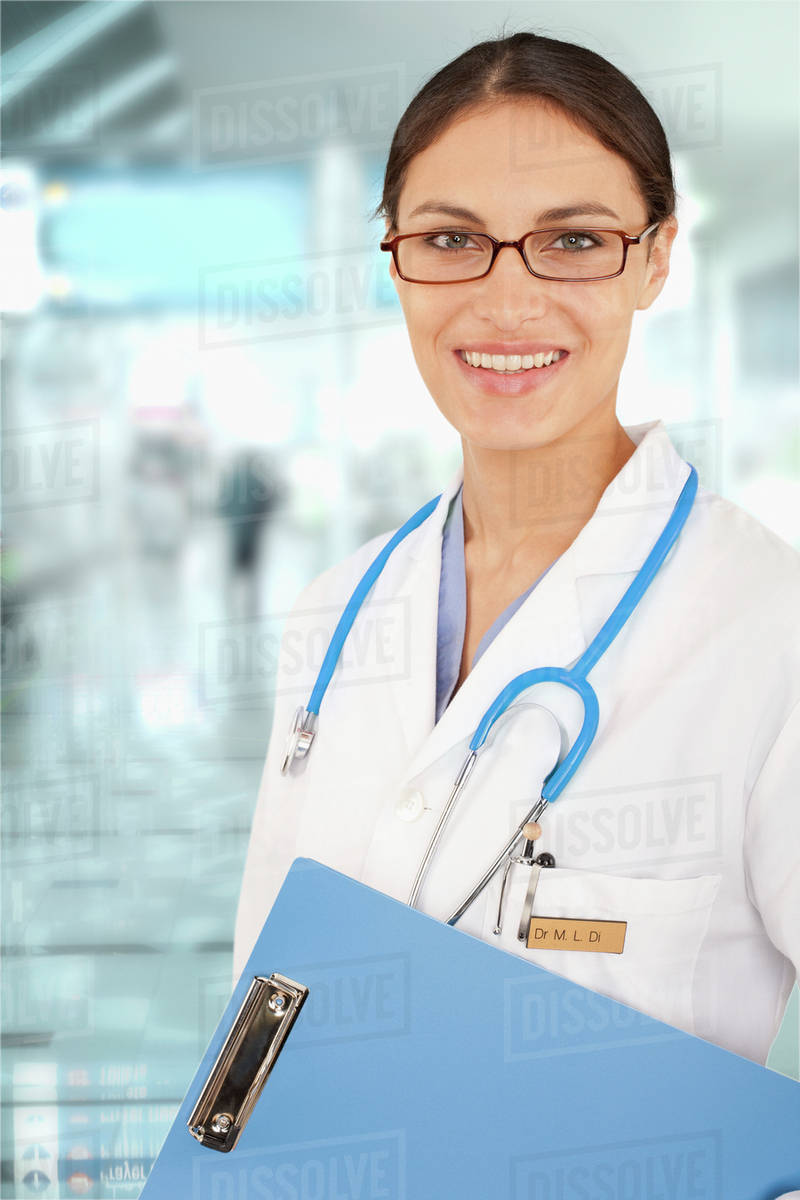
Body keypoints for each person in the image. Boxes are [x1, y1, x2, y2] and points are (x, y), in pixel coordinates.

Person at [233, 28, 800, 1115]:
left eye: (572, 240)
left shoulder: (768, 632)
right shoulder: (338, 614)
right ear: (393, 258)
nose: (503, 301)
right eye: (450, 239)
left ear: (653, 257)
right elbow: (261, 1020)